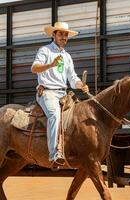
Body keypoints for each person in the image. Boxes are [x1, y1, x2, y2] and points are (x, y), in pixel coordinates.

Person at [31, 22, 89, 165]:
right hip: (46, 93)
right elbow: (34, 68)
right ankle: (54, 154)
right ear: (54, 35)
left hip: (63, 94)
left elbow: (72, 77)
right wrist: (50, 65)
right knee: (55, 115)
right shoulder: (45, 50)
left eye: (66, 34)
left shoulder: (67, 56)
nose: (64, 37)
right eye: (60, 34)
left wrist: (81, 85)